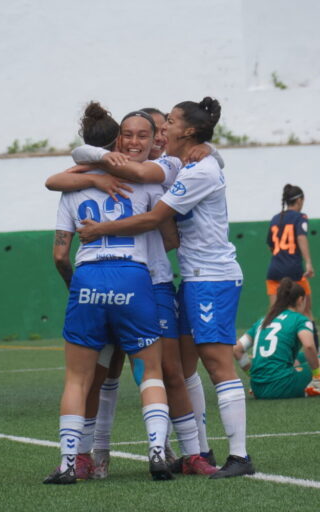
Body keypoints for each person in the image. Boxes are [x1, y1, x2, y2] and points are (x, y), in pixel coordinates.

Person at [78, 97, 255, 479]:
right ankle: (199, 450)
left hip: (213, 278)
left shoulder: (197, 170)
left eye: (168, 123)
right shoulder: (187, 163)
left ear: (188, 131)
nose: (163, 129)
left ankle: (240, 456)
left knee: (218, 364)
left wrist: (98, 230)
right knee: (184, 368)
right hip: (193, 278)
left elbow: (155, 219)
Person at [46, 108, 217, 478]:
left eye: (153, 132)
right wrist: (99, 174)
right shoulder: (126, 170)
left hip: (142, 281)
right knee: (112, 374)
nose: (142, 140)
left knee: (159, 370)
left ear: (161, 136)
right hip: (135, 279)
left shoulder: (163, 169)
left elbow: (60, 179)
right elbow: (70, 168)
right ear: (119, 139)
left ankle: (188, 451)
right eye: (130, 135)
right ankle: (104, 453)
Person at [232, 278, 320, 398]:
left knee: (301, 358)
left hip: (258, 389)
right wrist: (316, 376)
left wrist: (254, 376)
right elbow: (309, 345)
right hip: (282, 386)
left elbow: (237, 349)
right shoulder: (300, 320)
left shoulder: (263, 320)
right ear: (300, 300)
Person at [265, 184, 320, 349]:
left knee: (275, 314)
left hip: (274, 271)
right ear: (299, 200)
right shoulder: (300, 217)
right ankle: (315, 353)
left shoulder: (276, 218)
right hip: (294, 272)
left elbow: (270, 245)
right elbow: (301, 237)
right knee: (306, 312)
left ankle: (271, 350)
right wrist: (308, 262)